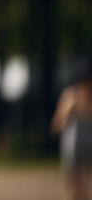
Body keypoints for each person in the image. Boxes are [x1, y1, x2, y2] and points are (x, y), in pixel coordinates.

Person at [51, 57, 92, 200]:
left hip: (85, 146)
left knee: (78, 183)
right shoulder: (69, 96)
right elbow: (57, 124)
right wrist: (67, 113)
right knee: (74, 184)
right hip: (73, 146)